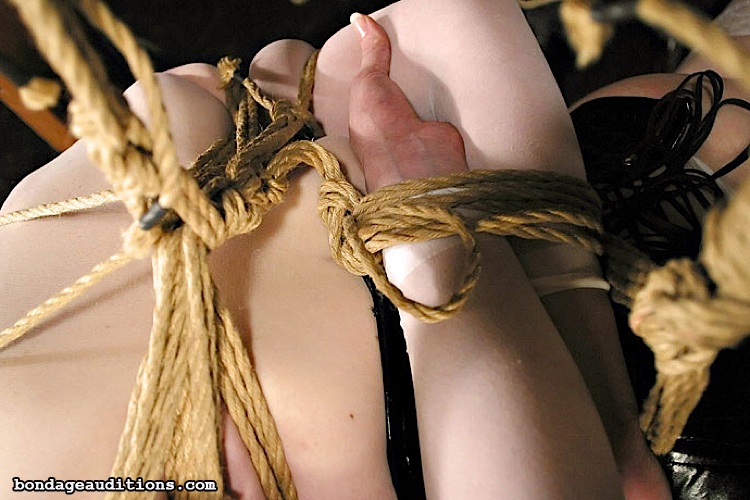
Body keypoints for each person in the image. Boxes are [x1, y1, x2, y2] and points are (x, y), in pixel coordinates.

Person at [0, 0, 688, 497]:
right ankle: (615, 424)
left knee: (282, 65)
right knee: (442, 25)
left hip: (229, 145)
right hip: (409, 323)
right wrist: (425, 214)